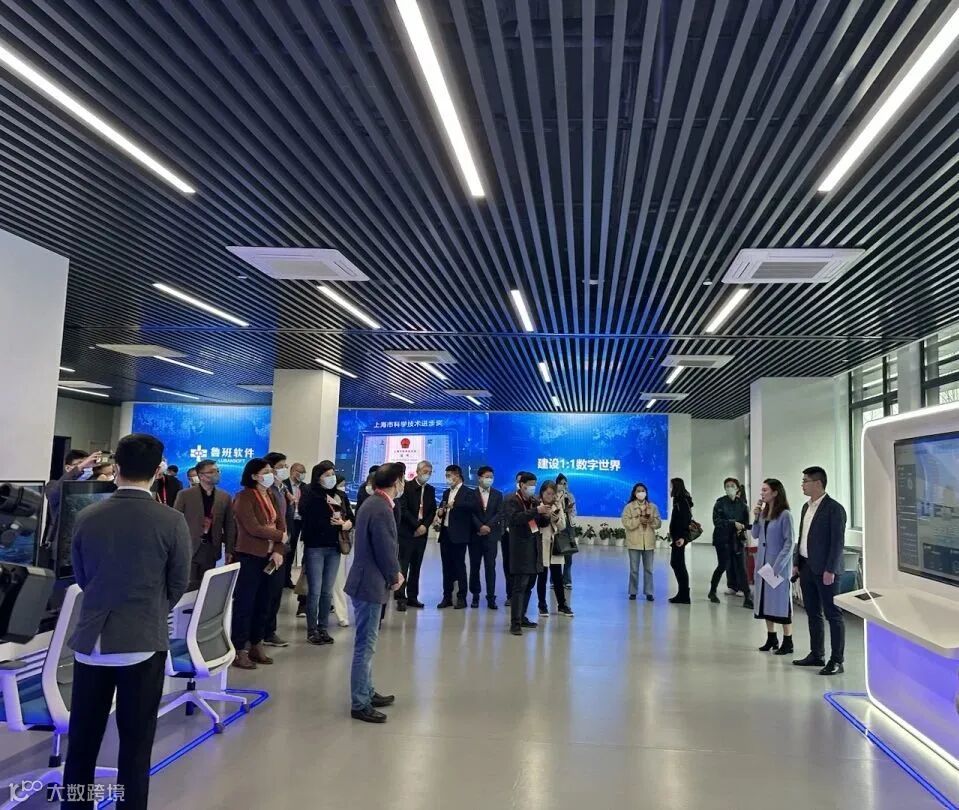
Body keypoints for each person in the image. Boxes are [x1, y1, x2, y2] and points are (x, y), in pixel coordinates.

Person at [62, 433, 191, 810]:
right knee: (135, 748)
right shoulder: (171, 521)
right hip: (142, 641)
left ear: (116, 467)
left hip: (91, 643)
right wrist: (149, 609)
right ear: (157, 471)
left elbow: (82, 576)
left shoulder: (87, 516)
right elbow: (177, 583)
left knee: (82, 745)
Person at [345, 463, 404, 723]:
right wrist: (395, 574)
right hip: (369, 583)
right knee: (365, 646)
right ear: (396, 482)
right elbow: (384, 547)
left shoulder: (374, 503)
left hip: (367, 581)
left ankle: (367, 691)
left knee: (368, 643)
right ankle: (360, 703)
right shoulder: (380, 508)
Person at [230, 458, 286, 669]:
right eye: (266, 471)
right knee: (245, 603)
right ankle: (239, 649)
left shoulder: (270, 495)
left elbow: (281, 524)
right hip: (250, 556)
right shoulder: (244, 497)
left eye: (271, 470)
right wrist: (279, 536)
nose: (270, 474)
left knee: (264, 602)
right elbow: (253, 528)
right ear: (254, 476)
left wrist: (279, 548)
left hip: (271, 557)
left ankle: (256, 643)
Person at [793, 466, 847, 676]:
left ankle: (837, 660)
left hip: (826, 571)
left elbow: (837, 542)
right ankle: (817, 654)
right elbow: (802, 537)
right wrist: (797, 562)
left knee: (833, 615)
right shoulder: (805, 508)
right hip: (807, 567)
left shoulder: (834, 509)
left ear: (817, 483)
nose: (802, 485)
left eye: (805, 481)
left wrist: (830, 569)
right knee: (813, 612)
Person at [299, 460, 353, 645]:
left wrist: (345, 523)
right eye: (327, 475)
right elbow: (304, 513)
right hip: (315, 546)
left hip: (334, 546)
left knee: (327, 591)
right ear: (318, 477)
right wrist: (324, 506)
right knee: (314, 590)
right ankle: (312, 630)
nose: (331, 478)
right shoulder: (309, 493)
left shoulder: (340, 495)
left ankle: (323, 628)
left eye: (333, 474)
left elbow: (351, 517)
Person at [173, 458, 235, 590]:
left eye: (217, 471)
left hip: (211, 548)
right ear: (201, 475)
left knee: (206, 586)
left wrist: (229, 549)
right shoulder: (185, 495)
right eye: (212, 472)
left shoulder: (224, 497)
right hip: (190, 547)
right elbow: (175, 521)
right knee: (188, 586)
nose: (216, 474)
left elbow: (229, 525)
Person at [752, 478, 795, 655]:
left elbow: (789, 543)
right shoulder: (764, 514)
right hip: (763, 565)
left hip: (777, 567)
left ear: (775, 492)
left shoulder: (785, 515)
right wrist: (756, 517)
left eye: (765, 490)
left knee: (781, 604)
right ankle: (771, 637)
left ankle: (788, 640)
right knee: (765, 602)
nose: (762, 493)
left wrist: (777, 567)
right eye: (761, 490)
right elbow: (755, 535)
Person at [504, 472, 550, 634]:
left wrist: (546, 515)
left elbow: (540, 523)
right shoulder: (512, 500)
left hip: (534, 549)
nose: (532, 488)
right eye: (530, 485)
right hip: (520, 549)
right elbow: (515, 519)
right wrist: (536, 510)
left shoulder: (534, 501)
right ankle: (515, 623)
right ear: (521, 485)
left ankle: (522, 617)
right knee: (519, 587)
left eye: (534, 485)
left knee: (529, 586)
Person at [396, 460, 436, 611]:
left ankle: (413, 597)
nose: (427, 475)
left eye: (430, 473)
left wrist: (425, 526)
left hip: (422, 534)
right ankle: (400, 597)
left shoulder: (431, 490)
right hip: (407, 533)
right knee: (403, 566)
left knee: (416, 566)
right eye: (425, 472)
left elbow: (432, 510)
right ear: (417, 472)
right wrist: (417, 525)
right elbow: (403, 509)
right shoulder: (407, 487)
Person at [262, 451, 292, 647]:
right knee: (267, 592)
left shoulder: (282, 489)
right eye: (280, 466)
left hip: (282, 545)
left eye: (285, 466)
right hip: (270, 546)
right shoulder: (268, 491)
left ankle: (269, 630)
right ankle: (264, 632)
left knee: (276, 592)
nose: (284, 469)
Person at [435, 464, 474, 609]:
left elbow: (471, 507)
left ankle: (462, 597)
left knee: (459, 566)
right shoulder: (446, 492)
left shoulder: (468, 492)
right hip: (445, 533)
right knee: (446, 567)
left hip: (459, 535)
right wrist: (441, 511)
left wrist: (455, 504)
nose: (447, 479)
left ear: (457, 476)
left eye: (449, 476)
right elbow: (443, 506)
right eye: (446, 476)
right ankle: (447, 597)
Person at [709, 477, 752, 606]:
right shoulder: (720, 503)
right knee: (722, 565)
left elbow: (745, 523)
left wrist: (743, 528)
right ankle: (712, 591)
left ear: (737, 488)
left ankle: (747, 597)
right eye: (727, 486)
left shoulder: (742, 505)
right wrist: (733, 523)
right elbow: (717, 521)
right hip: (722, 540)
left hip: (737, 540)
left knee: (741, 568)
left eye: (732, 486)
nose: (729, 488)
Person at [536, 481, 574, 617]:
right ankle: (542, 605)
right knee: (542, 576)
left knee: (558, 577)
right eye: (548, 493)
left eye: (553, 494)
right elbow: (533, 525)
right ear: (542, 493)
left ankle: (562, 605)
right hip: (542, 544)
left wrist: (556, 519)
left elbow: (563, 526)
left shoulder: (557, 506)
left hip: (555, 546)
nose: (550, 496)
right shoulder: (537, 506)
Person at [469, 466, 503, 609]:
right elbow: (470, 513)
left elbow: (499, 513)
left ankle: (491, 597)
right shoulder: (471, 494)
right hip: (475, 536)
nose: (489, 479)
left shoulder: (497, 494)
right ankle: (475, 596)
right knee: (474, 566)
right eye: (487, 477)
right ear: (479, 478)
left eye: (491, 477)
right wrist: (480, 526)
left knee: (490, 567)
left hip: (491, 536)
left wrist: (488, 526)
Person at [621, 482, 661, 601]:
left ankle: (649, 592)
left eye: (643, 491)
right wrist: (639, 520)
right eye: (638, 491)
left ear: (646, 493)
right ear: (634, 493)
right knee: (634, 570)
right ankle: (633, 591)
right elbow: (626, 523)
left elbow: (658, 523)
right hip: (634, 542)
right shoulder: (629, 507)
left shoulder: (653, 507)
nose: (641, 493)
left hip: (648, 543)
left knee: (649, 569)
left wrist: (651, 520)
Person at [331, 475, 352, 627]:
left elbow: (352, 517)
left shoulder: (343, 496)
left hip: (340, 542)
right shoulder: (317, 496)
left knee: (339, 581)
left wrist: (347, 523)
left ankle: (342, 615)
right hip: (320, 544)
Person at [668, 478, 694, 604]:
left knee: (678, 564)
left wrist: (683, 537)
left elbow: (686, 519)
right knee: (677, 563)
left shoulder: (682, 501)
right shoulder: (679, 500)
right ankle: (683, 593)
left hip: (679, 538)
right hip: (677, 537)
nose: (670, 488)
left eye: (671, 486)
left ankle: (684, 594)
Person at [502, 471, 523, 608]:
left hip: (524, 539)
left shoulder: (532, 500)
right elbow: (503, 515)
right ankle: (510, 595)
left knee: (522, 568)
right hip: (508, 537)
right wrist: (504, 529)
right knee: (508, 566)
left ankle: (521, 594)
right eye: (518, 481)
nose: (520, 484)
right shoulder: (508, 498)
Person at [284, 462, 307, 589]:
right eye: (300, 472)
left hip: (299, 521)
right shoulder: (284, 485)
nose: (302, 474)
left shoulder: (305, 487)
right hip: (287, 521)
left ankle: (287, 578)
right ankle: (280, 578)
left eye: (304, 472)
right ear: (293, 472)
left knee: (292, 550)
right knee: (284, 550)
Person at [555, 474, 577, 589]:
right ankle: (554, 580)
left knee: (569, 555)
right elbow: (554, 511)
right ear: (557, 484)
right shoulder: (553, 496)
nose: (564, 485)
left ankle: (567, 580)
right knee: (556, 554)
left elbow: (575, 512)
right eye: (561, 483)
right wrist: (563, 510)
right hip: (558, 527)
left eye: (565, 483)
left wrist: (569, 511)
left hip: (569, 527)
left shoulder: (570, 496)